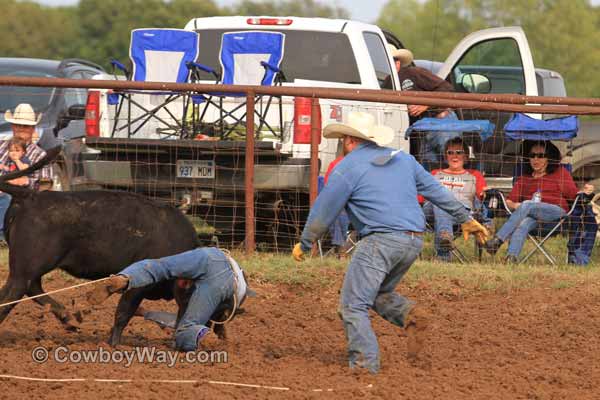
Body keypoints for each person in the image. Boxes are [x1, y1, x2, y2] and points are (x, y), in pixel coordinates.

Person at [291, 111, 490, 374]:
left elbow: (324, 209)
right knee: (379, 294)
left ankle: (365, 365)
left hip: (380, 241)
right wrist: (465, 218)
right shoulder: (404, 160)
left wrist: (306, 242)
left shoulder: (347, 167)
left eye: (342, 139)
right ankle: (410, 315)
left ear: (350, 140)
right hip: (413, 240)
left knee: (353, 305)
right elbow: (435, 190)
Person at [87, 247, 251, 351]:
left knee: (160, 266)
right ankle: (204, 335)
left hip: (209, 254)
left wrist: (145, 313)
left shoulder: (215, 294)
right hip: (225, 273)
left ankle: (126, 277)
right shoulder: (227, 300)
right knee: (185, 332)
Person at [484, 141, 583, 263]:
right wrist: (516, 205)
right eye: (532, 155)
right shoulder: (524, 179)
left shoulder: (560, 173)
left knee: (527, 204)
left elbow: (574, 195)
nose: (535, 159)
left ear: (549, 158)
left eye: (541, 155)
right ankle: (511, 258)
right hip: (533, 218)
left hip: (556, 217)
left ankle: (498, 240)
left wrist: (586, 191)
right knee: (524, 222)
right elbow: (509, 201)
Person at [422, 137, 489, 260]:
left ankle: (444, 253)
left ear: (466, 156)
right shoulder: (435, 173)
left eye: (459, 152)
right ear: (445, 156)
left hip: (462, 214)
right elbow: (421, 197)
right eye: (450, 152)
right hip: (432, 212)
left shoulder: (474, 175)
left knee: (443, 203)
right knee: (441, 202)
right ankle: (444, 241)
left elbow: (481, 200)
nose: (454, 156)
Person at [0, 103, 52, 238]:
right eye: (18, 125)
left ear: (33, 128)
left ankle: (1, 235)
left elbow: (45, 185)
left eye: (26, 126)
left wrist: (26, 181)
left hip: (21, 198)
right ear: (12, 126)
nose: (21, 129)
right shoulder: (1, 146)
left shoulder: (40, 155)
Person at [324, 154, 351, 256]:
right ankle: (340, 248)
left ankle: (338, 246)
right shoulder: (336, 163)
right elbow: (329, 185)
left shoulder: (366, 163)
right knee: (337, 211)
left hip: (357, 205)